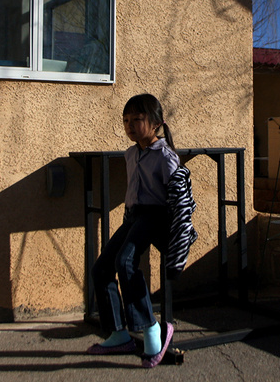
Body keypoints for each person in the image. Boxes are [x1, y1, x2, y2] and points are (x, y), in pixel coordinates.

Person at [88, 94, 197, 368]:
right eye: (126, 120)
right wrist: (128, 220)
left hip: (156, 216)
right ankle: (119, 333)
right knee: (101, 269)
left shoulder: (166, 156)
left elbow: (181, 200)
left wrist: (178, 245)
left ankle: (152, 329)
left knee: (125, 261)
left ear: (156, 123)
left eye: (137, 119)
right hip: (134, 217)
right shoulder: (131, 153)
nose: (130, 125)